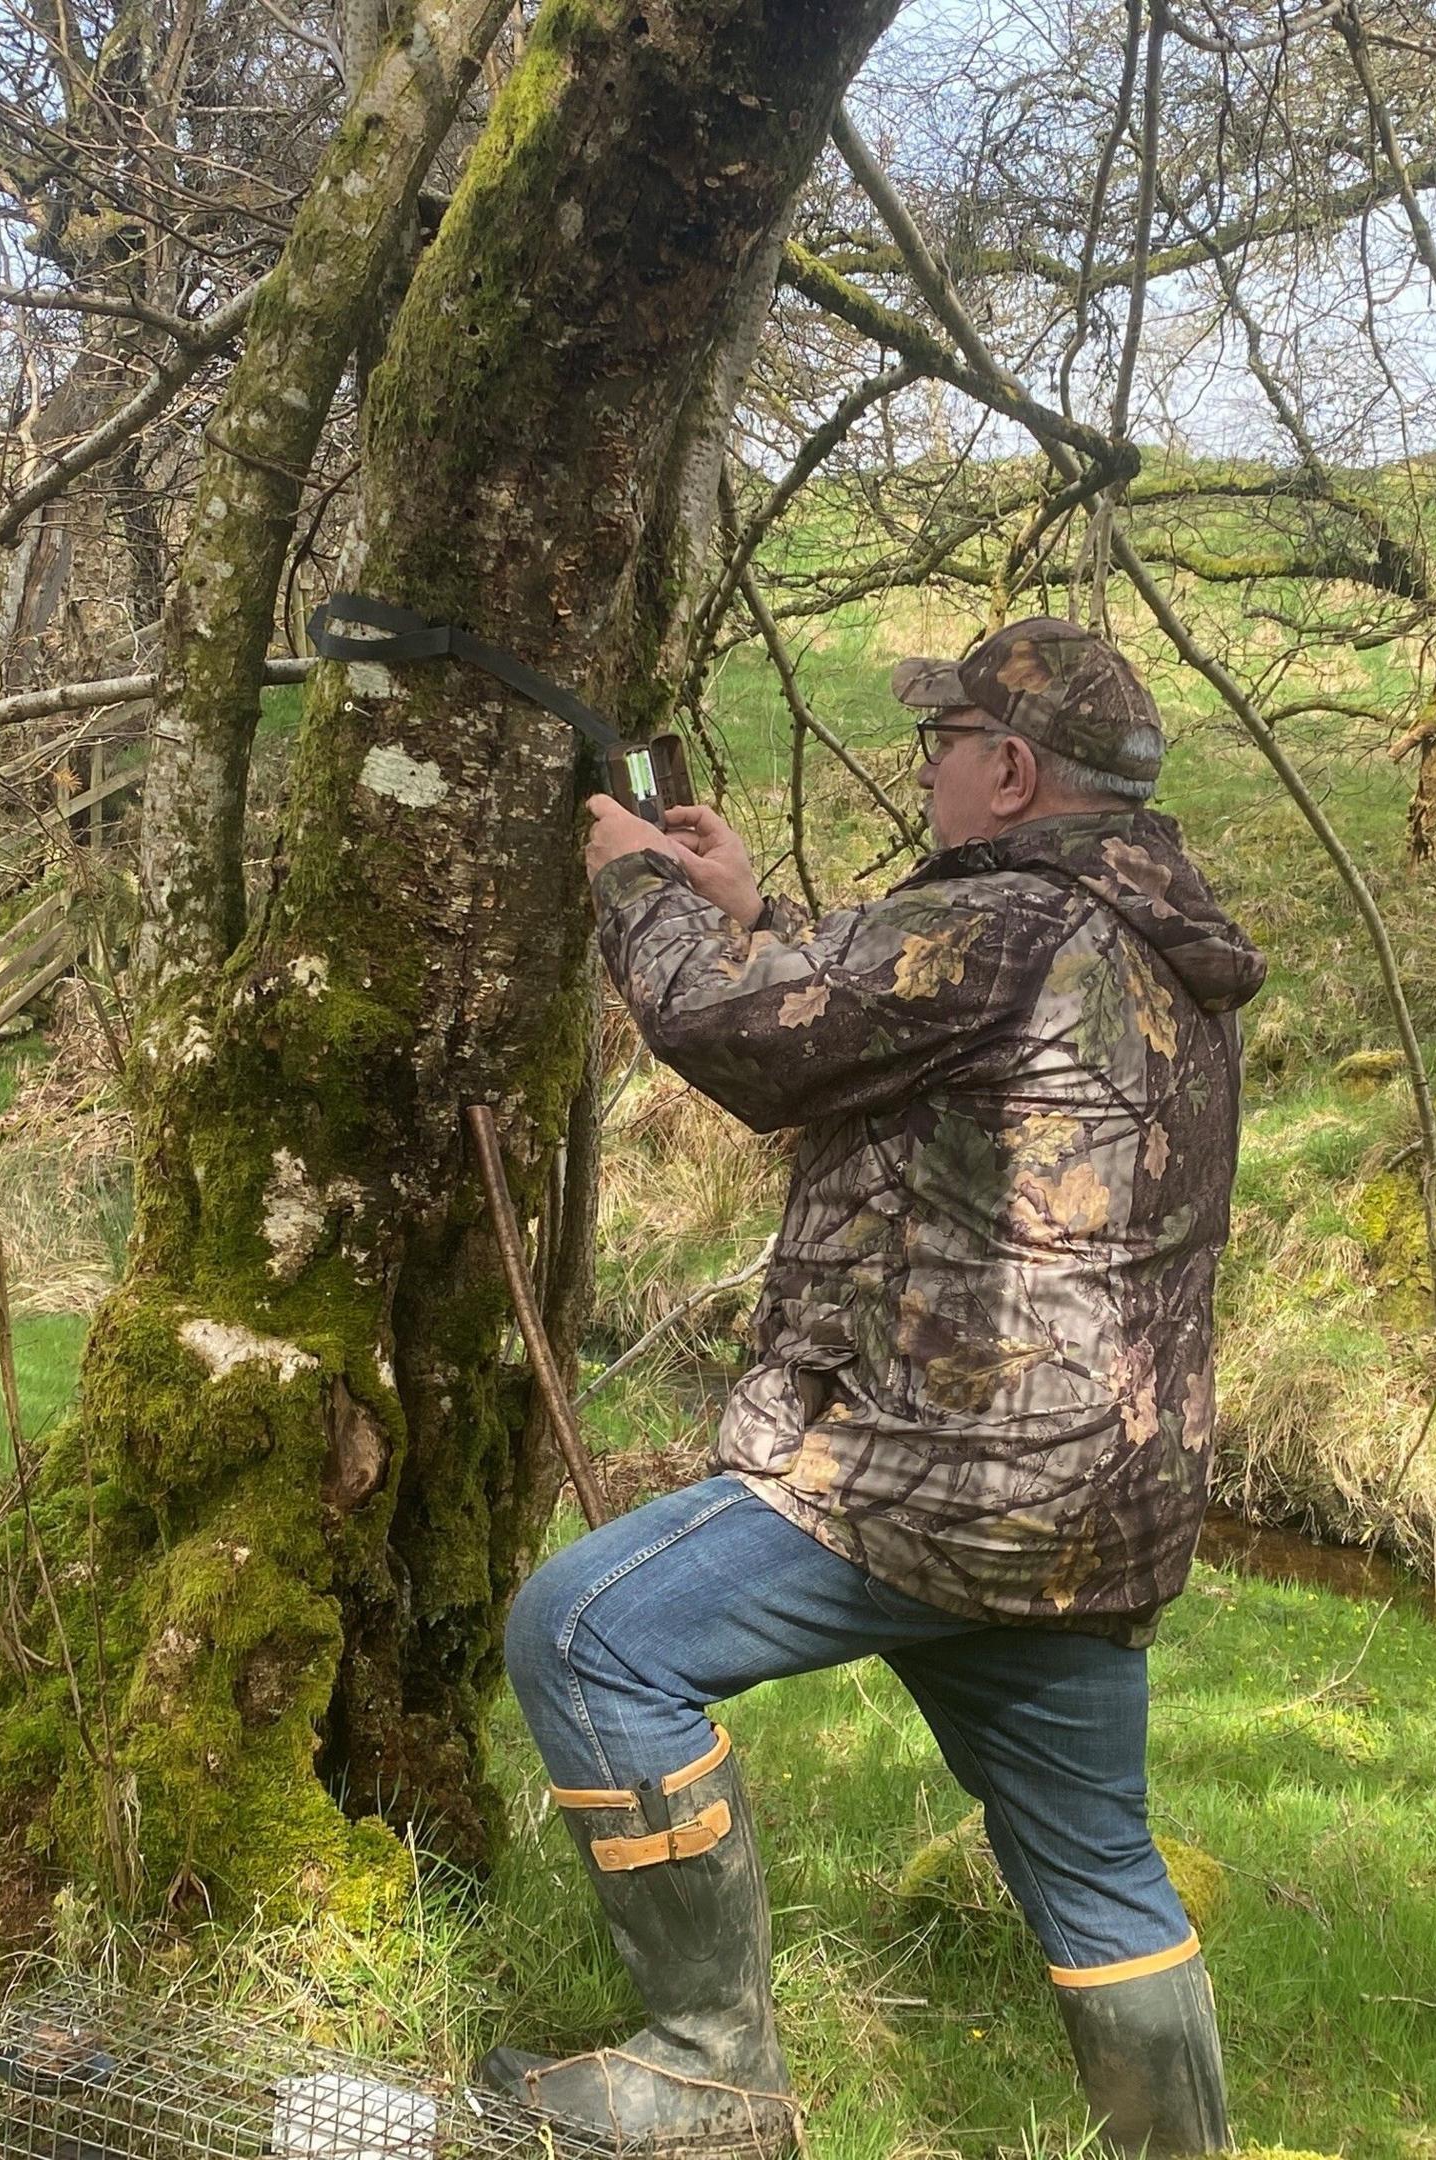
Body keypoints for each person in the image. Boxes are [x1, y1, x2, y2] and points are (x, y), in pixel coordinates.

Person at [488, 618, 1267, 2155]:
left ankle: (708, 2072)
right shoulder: (1156, 945)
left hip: (945, 1487)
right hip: (1096, 1509)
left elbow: (742, 1038)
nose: (930, 765)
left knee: (585, 1633)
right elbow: (909, 1034)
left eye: (943, 741)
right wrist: (754, 906)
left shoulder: (1005, 922)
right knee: (1096, 1863)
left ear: (1014, 768)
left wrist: (635, 882)